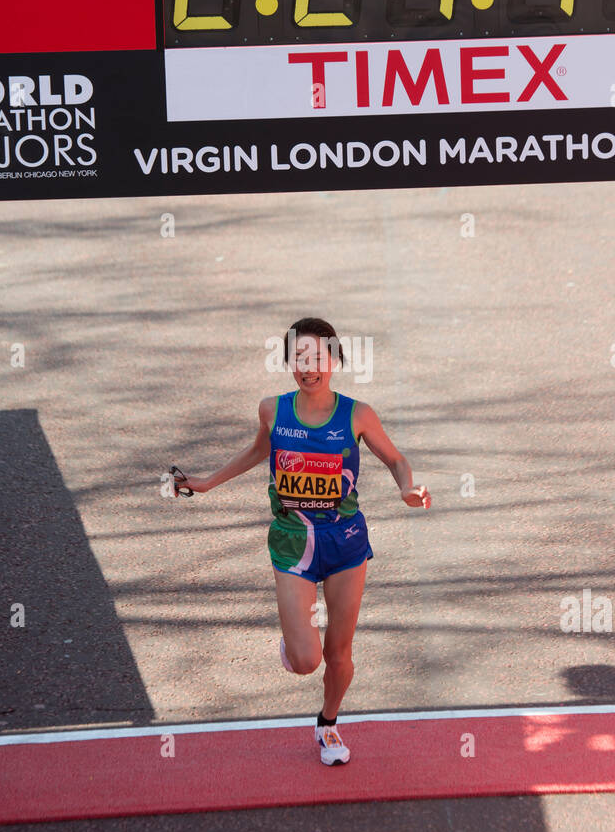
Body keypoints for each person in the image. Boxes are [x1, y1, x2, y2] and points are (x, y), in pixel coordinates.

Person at [177, 317, 431, 765]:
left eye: (316, 357)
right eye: (299, 358)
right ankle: (294, 648)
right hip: (292, 541)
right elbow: (259, 450)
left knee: (338, 652)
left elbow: (395, 459)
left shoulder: (357, 414)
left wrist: (408, 488)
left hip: (345, 542)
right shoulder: (273, 410)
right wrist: (207, 483)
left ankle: (329, 724)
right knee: (307, 660)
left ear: (333, 359)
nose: (308, 367)